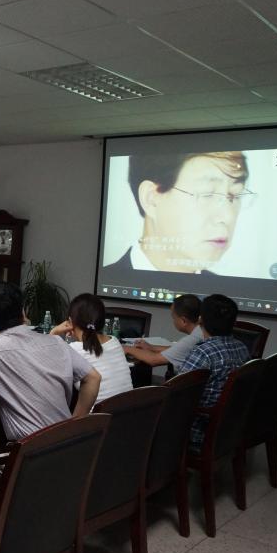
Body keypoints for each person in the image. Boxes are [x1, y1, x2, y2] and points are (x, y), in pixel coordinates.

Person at [0, 281, 101, 441]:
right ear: (23, 312)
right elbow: (93, 377)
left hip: (32, 449)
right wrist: (74, 426)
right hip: (66, 443)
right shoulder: (57, 341)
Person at [104, 151, 252, 275]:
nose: (228, 216)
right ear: (151, 199)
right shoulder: (106, 279)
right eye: (207, 194)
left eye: (235, 195)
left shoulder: (223, 293)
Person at [178, 294, 250, 453]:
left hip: (199, 430)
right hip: (230, 427)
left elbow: (178, 395)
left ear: (200, 320)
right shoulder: (242, 347)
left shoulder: (203, 353)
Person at [50, 293, 132, 403]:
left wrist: (54, 332)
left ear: (70, 321)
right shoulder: (114, 341)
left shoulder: (72, 350)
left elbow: (45, 362)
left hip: (99, 414)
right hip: (128, 410)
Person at [123, 294, 204, 371]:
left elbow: (154, 360)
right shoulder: (201, 331)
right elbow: (178, 349)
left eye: (174, 317)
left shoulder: (193, 339)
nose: (173, 321)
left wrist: (127, 348)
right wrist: (152, 347)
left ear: (183, 321)